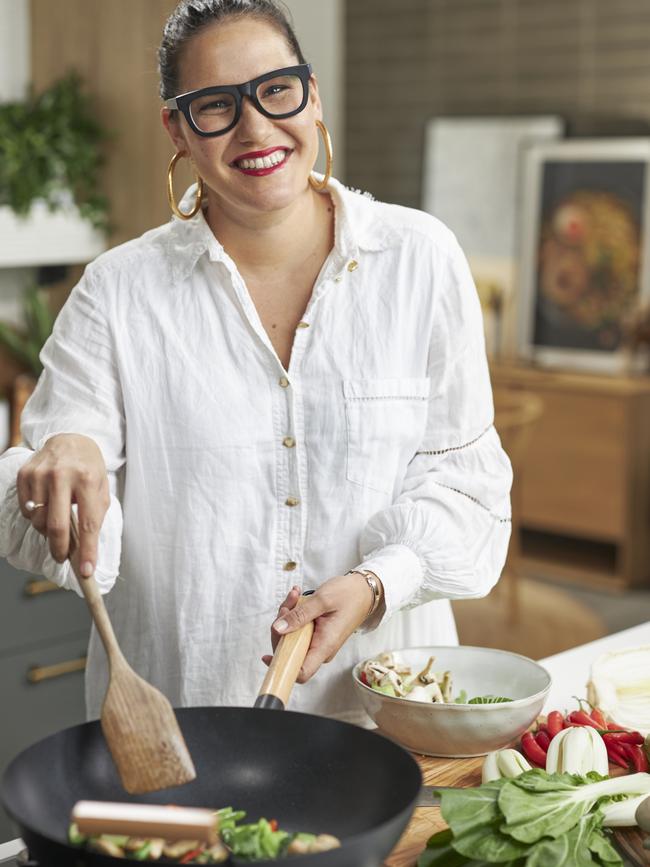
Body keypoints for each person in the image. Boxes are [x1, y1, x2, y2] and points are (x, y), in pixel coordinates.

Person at [0, 0, 512, 724]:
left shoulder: (421, 260)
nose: (256, 128)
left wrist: (375, 582)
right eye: (216, 105)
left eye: (277, 90)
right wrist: (62, 463)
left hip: (388, 719)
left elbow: (468, 485)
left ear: (313, 94)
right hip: (189, 723)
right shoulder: (115, 292)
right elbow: (45, 491)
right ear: (175, 127)